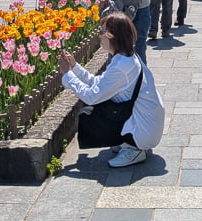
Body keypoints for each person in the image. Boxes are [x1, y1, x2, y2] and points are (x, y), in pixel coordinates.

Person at [59, 12, 165, 168]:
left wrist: (68, 74)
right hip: (147, 124)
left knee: (93, 110)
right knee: (103, 103)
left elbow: (91, 96)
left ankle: (134, 148)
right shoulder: (125, 58)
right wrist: (75, 67)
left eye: (102, 32)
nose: (99, 36)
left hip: (145, 132)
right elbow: (98, 84)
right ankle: (127, 141)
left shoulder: (122, 66)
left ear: (112, 36)